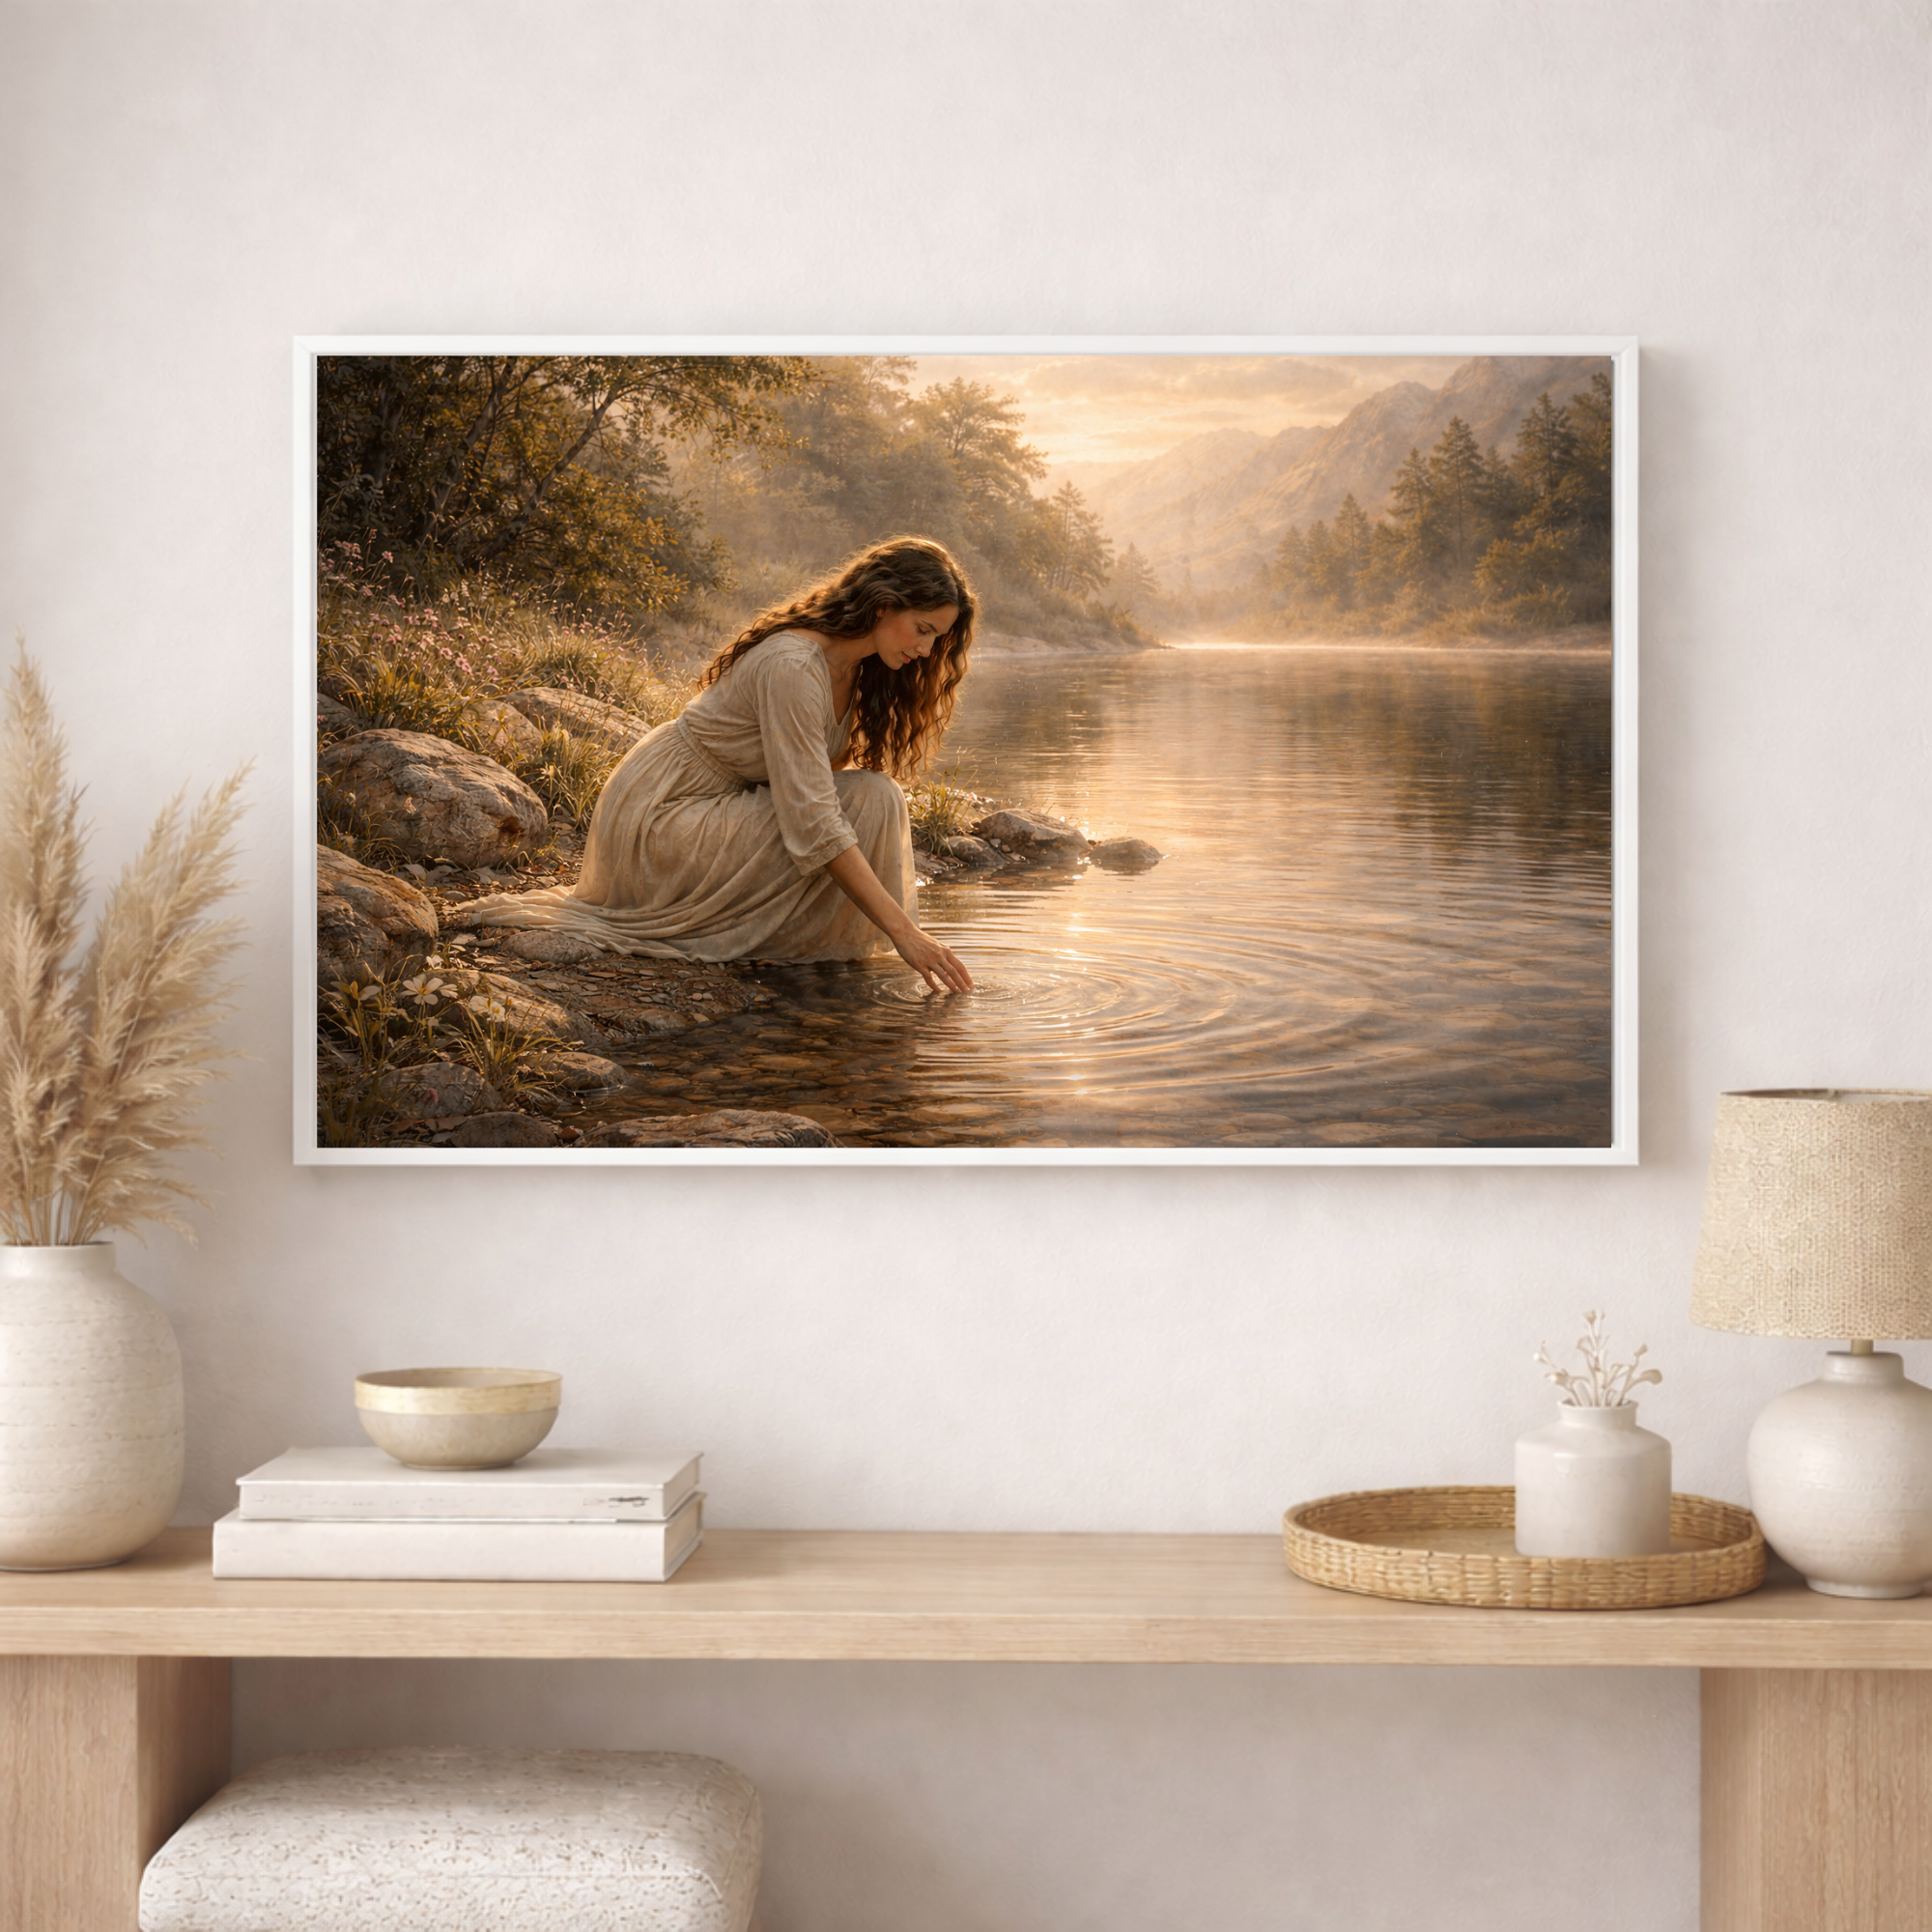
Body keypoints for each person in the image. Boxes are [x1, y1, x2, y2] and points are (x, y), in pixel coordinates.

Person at [460, 536, 976, 992]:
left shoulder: (856, 669)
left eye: (937, 638)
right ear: (883, 606)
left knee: (877, 796)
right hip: (664, 814)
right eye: (923, 629)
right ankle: (820, 952)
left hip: (720, 804)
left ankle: (815, 956)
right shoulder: (794, 666)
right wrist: (905, 932)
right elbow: (814, 820)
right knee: (861, 806)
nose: (926, 649)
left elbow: (814, 793)